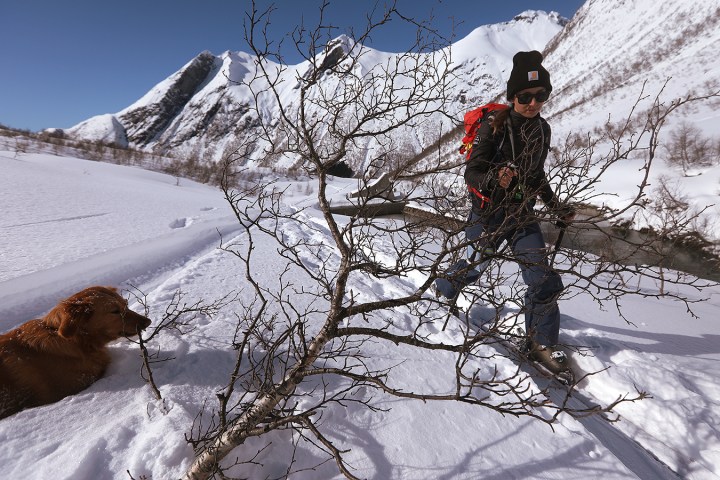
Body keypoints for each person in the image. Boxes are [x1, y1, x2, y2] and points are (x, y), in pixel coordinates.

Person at [435, 50, 575, 376]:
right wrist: (493, 179)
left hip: (522, 214)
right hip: (488, 214)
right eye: (525, 96)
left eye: (541, 95)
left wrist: (556, 208)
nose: (533, 103)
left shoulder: (542, 129)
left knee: (542, 277)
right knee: (472, 267)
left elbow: (536, 175)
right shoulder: (492, 127)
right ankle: (442, 292)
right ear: (513, 97)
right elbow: (472, 173)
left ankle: (540, 343)